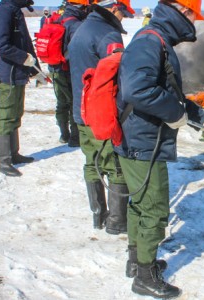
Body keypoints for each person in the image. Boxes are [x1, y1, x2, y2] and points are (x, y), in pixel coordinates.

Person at [116, 0, 204, 297]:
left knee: (141, 204)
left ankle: (137, 261)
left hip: (139, 138)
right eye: (192, 16)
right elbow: (138, 89)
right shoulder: (150, 41)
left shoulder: (155, 39)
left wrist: (196, 116)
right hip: (142, 141)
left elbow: (166, 87)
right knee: (155, 209)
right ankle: (145, 277)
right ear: (182, 12)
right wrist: (175, 113)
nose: (193, 23)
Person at [68, 0, 134, 234]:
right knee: (115, 165)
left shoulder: (82, 28)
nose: (124, 17)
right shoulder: (108, 34)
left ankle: (98, 214)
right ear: (114, 8)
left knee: (91, 162)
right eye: (123, 12)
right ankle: (117, 221)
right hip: (101, 114)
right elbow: (120, 73)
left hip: (81, 111)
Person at [0, 0, 44, 177]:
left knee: (15, 114)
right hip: (8, 75)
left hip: (18, 73)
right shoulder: (4, 11)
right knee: (6, 117)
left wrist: (35, 69)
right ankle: (3, 161)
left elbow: (25, 44)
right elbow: (0, 45)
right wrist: (23, 58)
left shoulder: (14, 11)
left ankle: (14, 153)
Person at [50, 0, 90, 147]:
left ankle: (64, 134)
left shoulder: (59, 20)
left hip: (55, 69)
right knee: (75, 102)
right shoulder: (76, 25)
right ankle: (75, 137)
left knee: (61, 103)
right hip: (69, 70)